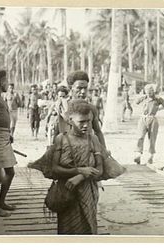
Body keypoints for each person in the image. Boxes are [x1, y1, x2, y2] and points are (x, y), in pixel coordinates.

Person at [52, 100, 103, 234]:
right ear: (70, 120)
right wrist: (78, 170)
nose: (86, 125)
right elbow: (55, 169)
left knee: (88, 225)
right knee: (67, 227)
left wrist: (81, 176)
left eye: (89, 121)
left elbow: (100, 169)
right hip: (66, 190)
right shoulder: (60, 139)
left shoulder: (93, 140)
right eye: (81, 122)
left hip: (88, 191)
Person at [0, 69, 17, 217]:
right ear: (0, 82)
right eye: (6, 80)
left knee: (9, 172)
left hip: (3, 136)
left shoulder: (0, 97)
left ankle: (0, 203)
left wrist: (8, 133)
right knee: (2, 172)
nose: (8, 83)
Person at [61, 70, 106, 148]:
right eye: (79, 88)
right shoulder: (63, 107)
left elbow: (98, 131)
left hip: (87, 151)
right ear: (70, 88)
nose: (83, 92)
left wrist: (104, 151)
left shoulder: (91, 109)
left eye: (85, 88)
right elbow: (57, 134)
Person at [134, 84, 164, 165]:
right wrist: (141, 96)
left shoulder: (157, 99)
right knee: (140, 136)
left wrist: (158, 109)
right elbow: (135, 102)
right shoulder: (143, 98)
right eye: (147, 92)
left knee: (152, 138)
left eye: (150, 92)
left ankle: (151, 156)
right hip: (143, 119)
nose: (149, 94)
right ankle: (138, 155)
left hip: (152, 119)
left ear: (153, 91)